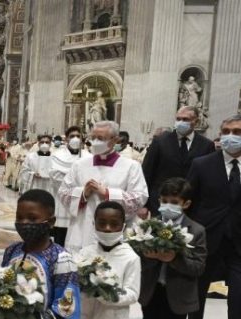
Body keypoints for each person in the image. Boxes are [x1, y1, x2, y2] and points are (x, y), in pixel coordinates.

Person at [1, 189, 80, 319]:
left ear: (51, 222)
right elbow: (1, 286)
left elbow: (67, 309)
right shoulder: (12, 251)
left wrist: (32, 318)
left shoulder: (61, 259)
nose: (25, 223)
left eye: (33, 218)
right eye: (20, 217)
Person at [185, 115, 241, 319]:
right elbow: (188, 202)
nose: (231, 136)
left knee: (239, 304)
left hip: (240, 246)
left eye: (237, 131)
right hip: (208, 239)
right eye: (226, 131)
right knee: (197, 289)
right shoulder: (202, 164)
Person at [139, 177, 206, 319]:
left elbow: (198, 268)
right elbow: (138, 257)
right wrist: (148, 255)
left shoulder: (196, 231)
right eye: (165, 200)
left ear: (186, 204)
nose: (169, 205)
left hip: (177, 297)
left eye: (174, 201)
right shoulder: (151, 226)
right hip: (152, 292)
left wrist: (174, 259)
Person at [77, 201, 141, 319]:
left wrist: (108, 295)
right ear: (94, 224)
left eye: (113, 224)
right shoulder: (86, 253)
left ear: (122, 226)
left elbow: (132, 293)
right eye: (102, 223)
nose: (107, 228)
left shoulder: (130, 257)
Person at [58, 121, 148, 254]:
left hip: (114, 230)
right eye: (93, 137)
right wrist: (83, 193)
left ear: (115, 140)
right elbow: (63, 192)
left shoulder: (131, 166)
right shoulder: (79, 165)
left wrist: (108, 193)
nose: (95, 142)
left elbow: (139, 198)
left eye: (101, 138)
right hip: (83, 228)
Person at [141, 106, 215, 215]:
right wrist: (144, 205)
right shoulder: (160, 142)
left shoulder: (206, 145)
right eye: (178, 119)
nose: (181, 122)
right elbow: (147, 173)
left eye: (185, 119)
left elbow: (208, 178)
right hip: (161, 202)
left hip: (192, 205)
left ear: (196, 121)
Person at [50, 126, 91, 246]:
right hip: (63, 201)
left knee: (79, 236)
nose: (75, 139)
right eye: (72, 136)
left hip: (82, 202)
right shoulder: (57, 155)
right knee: (61, 238)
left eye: (78, 136)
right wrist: (76, 183)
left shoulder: (88, 156)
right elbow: (55, 176)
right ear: (66, 139)